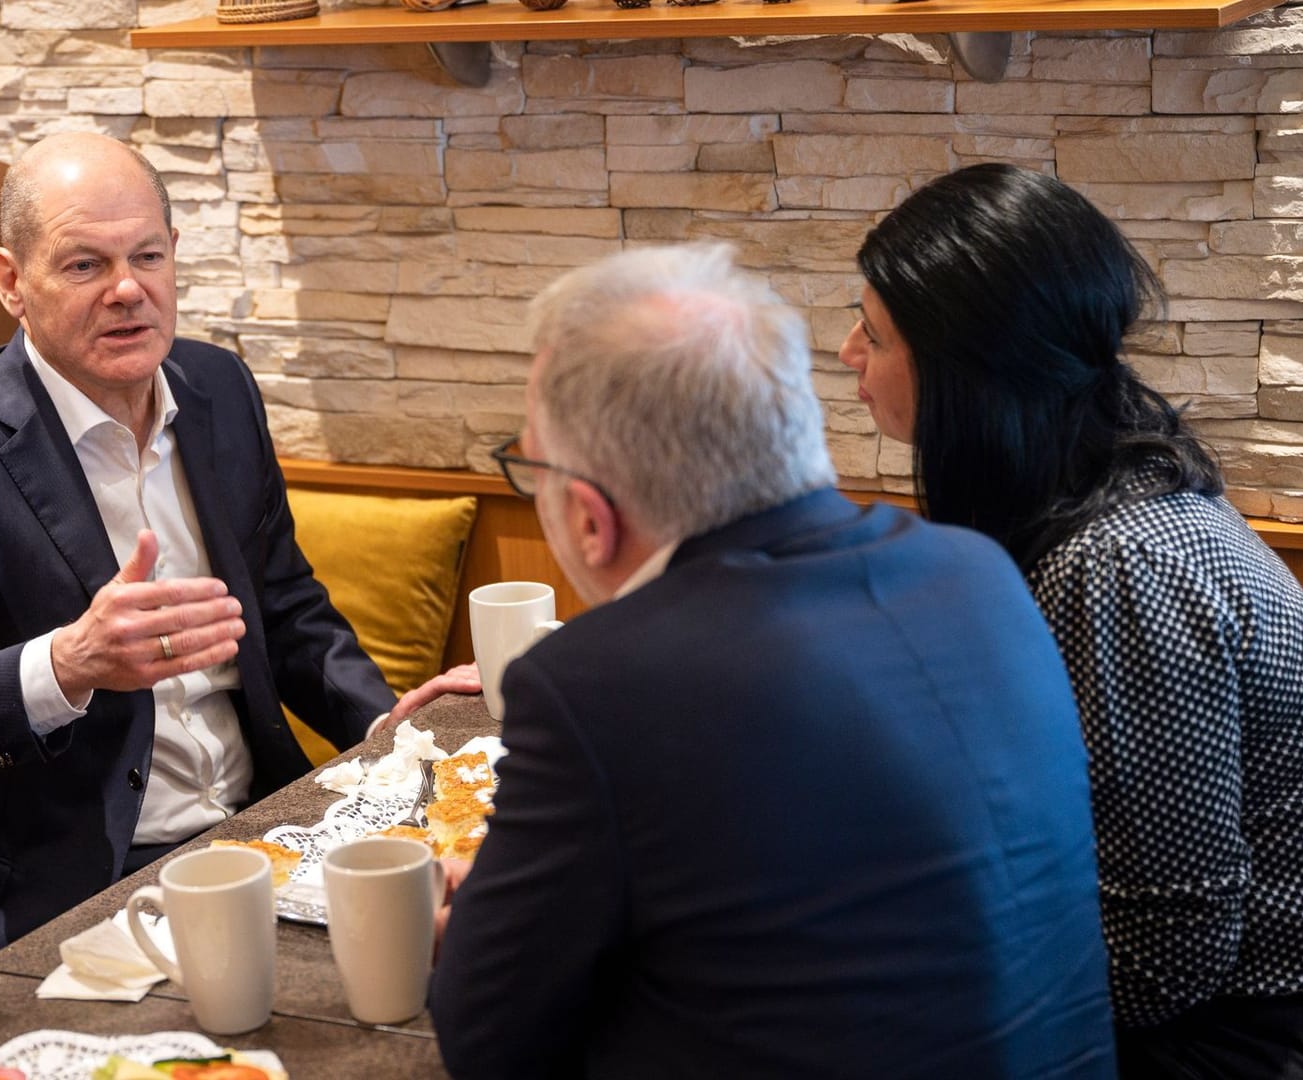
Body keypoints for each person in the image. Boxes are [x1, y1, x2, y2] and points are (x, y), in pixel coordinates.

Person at [427, 242, 1116, 1078]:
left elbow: (488, 1041)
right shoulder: (978, 571)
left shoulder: (598, 683)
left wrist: (485, 923)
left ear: (588, 517)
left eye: (528, 462)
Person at [0, 132, 475, 967]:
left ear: (175, 254)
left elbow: (287, 609)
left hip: (268, 824)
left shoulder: (216, 387)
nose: (126, 290)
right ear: (11, 281)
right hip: (81, 878)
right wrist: (72, 661)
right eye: (83, 265)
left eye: (147, 255)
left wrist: (391, 729)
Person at [843, 163, 1303, 1074]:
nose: (845, 352)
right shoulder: (1091, 486)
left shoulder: (1121, 566)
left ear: (971, 374)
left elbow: (1165, 956)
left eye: (874, 333)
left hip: (1253, 1029)